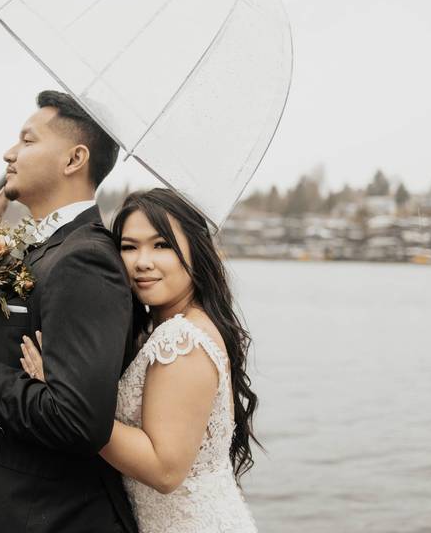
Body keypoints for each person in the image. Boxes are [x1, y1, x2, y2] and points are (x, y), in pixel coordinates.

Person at [0, 90, 139, 533]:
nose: (9, 153)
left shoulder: (85, 259)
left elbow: (80, 420)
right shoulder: (45, 250)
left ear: (74, 159)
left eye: (27, 141)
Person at [19, 188, 261, 532]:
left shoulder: (181, 340)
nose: (142, 261)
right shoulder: (160, 328)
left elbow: (164, 470)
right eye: (129, 247)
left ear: (196, 250)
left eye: (161, 245)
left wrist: (65, 395)